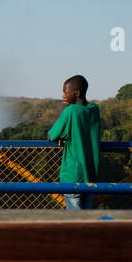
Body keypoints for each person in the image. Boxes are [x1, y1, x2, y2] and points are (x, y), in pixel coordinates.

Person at [47, 74, 101, 210]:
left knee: (75, 220)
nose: (63, 96)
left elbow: (51, 135)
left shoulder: (70, 111)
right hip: (92, 176)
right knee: (88, 219)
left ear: (76, 93)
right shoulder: (94, 110)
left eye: (66, 92)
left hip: (73, 176)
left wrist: (61, 136)